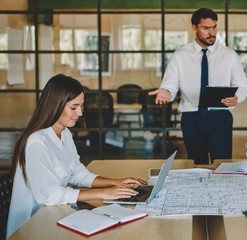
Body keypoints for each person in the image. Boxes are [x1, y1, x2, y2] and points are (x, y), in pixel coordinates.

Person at [6, 74, 147, 238]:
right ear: (55, 106)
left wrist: (116, 183)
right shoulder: (37, 142)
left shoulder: (64, 133)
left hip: (54, 214)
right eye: (74, 107)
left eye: (81, 106)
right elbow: (50, 196)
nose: (80, 113)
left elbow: (78, 174)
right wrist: (103, 193)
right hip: (32, 226)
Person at [148, 8, 247, 165]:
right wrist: (166, 92)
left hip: (220, 117)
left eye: (214, 27)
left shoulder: (229, 55)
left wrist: (237, 97)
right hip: (191, 118)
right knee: (196, 166)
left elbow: (242, 86)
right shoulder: (180, 56)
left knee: (223, 166)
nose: (212, 32)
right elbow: (170, 85)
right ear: (194, 27)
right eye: (206, 28)